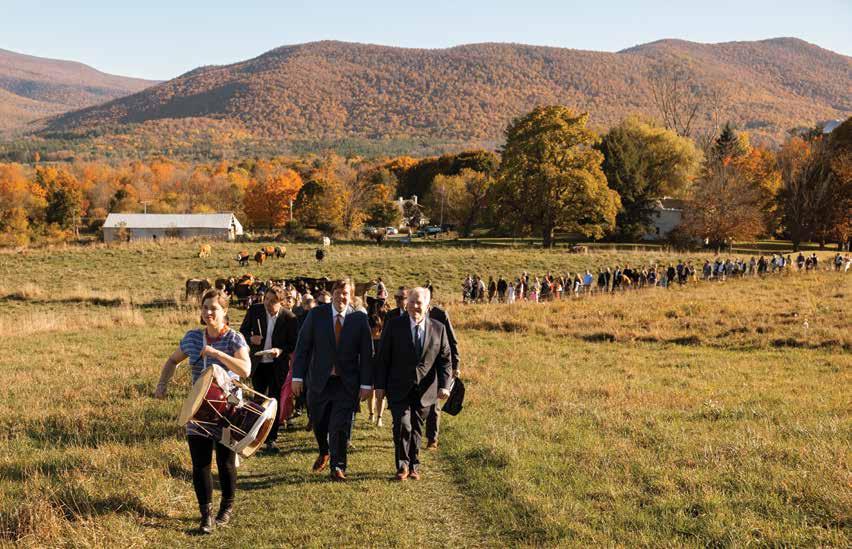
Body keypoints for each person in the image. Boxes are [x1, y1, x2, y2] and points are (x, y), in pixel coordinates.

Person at [154, 289, 251, 534]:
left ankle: (226, 508)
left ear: (224, 311)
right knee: (200, 464)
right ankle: (206, 515)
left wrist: (217, 354)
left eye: (214, 308)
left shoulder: (235, 339)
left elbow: (245, 370)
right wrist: (162, 384)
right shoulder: (192, 338)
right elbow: (172, 360)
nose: (209, 312)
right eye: (205, 307)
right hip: (198, 410)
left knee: (225, 463)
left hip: (228, 410)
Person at [291, 279, 373, 481]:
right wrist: (297, 377)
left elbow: (367, 353)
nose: (341, 296)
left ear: (351, 296)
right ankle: (324, 450)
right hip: (319, 381)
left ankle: (337, 466)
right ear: (332, 293)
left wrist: (365, 384)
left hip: (346, 383)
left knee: (339, 426)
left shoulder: (359, 319)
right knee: (319, 422)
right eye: (338, 292)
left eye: (345, 293)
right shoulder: (316, 315)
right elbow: (302, 347)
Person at [374, 287, 452, 481]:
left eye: (419, 303)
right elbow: (382, 357)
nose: (414, 306)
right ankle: (402, 466)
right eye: (411, 302)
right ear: (406, 303)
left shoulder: (438, 328)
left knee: (416, 427)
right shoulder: (394, 325)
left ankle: (414, 465)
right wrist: (380, 386)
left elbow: (445, 360)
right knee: (402, 425)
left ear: (427, 306)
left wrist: (444, 385)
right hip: (398, 386)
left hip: (426, 390)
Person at [239, 286, 298, 453]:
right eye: (266, 299)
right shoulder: (255, 310)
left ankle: (271, 438)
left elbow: (293, 343)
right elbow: (242, 332)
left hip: (277, 364)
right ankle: (254, 435)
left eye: (272, 301)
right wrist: (251, 338)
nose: (268, 304)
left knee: (274, 400)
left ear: (281, 302)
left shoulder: (289, 318)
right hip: (258, 362)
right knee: (258, 398)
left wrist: (280, 350)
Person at [424, 297, 460, 450]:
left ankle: (432, 439)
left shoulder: (440, 315)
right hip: (417, 366)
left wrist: (455, 365)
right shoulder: (410, 313)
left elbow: (452, 341)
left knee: (434, 403)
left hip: (437, 364)